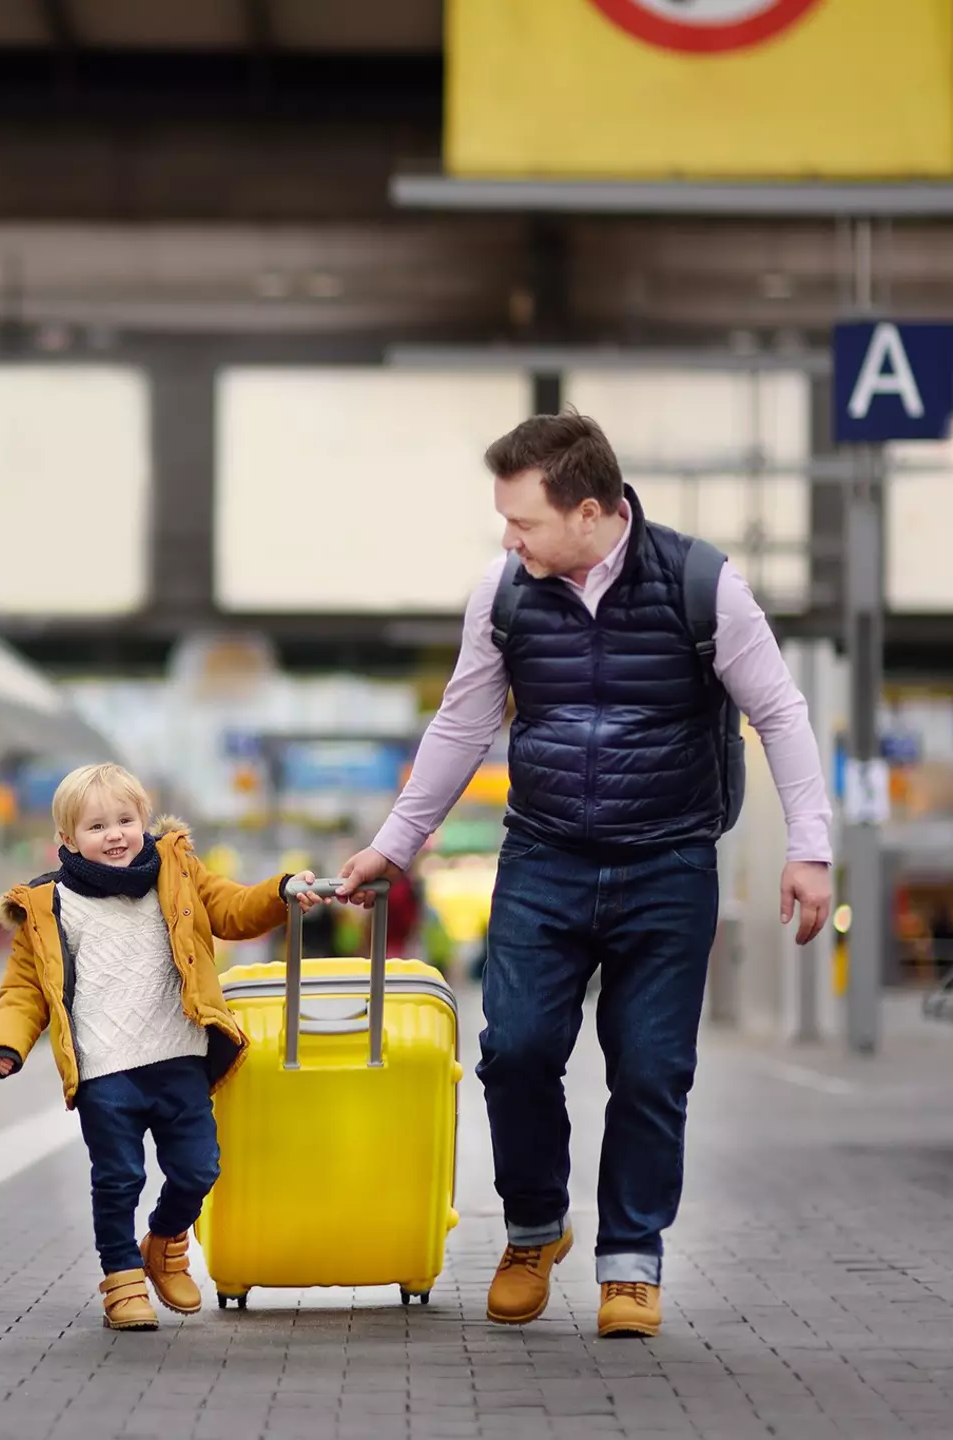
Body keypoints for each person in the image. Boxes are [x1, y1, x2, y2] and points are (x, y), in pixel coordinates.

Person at [327, 412, 832, 1340]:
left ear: (590, 512)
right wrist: (394, 846)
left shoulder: (703, 584)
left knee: (650, 1070)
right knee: (513, 1051)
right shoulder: (505, 593)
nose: (508, 540)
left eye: (522, 523)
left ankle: (631, 1263)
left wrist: (810, 848)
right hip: (544, 856)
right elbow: (462, 724)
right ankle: (533, 1228)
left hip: (668, 860)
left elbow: (783, 715)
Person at [0, 762, 319, 1331]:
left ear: (144, 820)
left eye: (125, 819)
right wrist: (7, 1044)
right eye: (96, 827)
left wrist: (280, 891)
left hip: (178, 1057)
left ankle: (163, 1244)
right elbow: (23, 990)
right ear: (67, 841)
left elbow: (234, 909)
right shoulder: (49, 907)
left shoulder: (177, 872)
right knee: (118, 1179)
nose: (114, 834)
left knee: (198, 1169)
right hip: (104, 1073)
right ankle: (121, 1281)